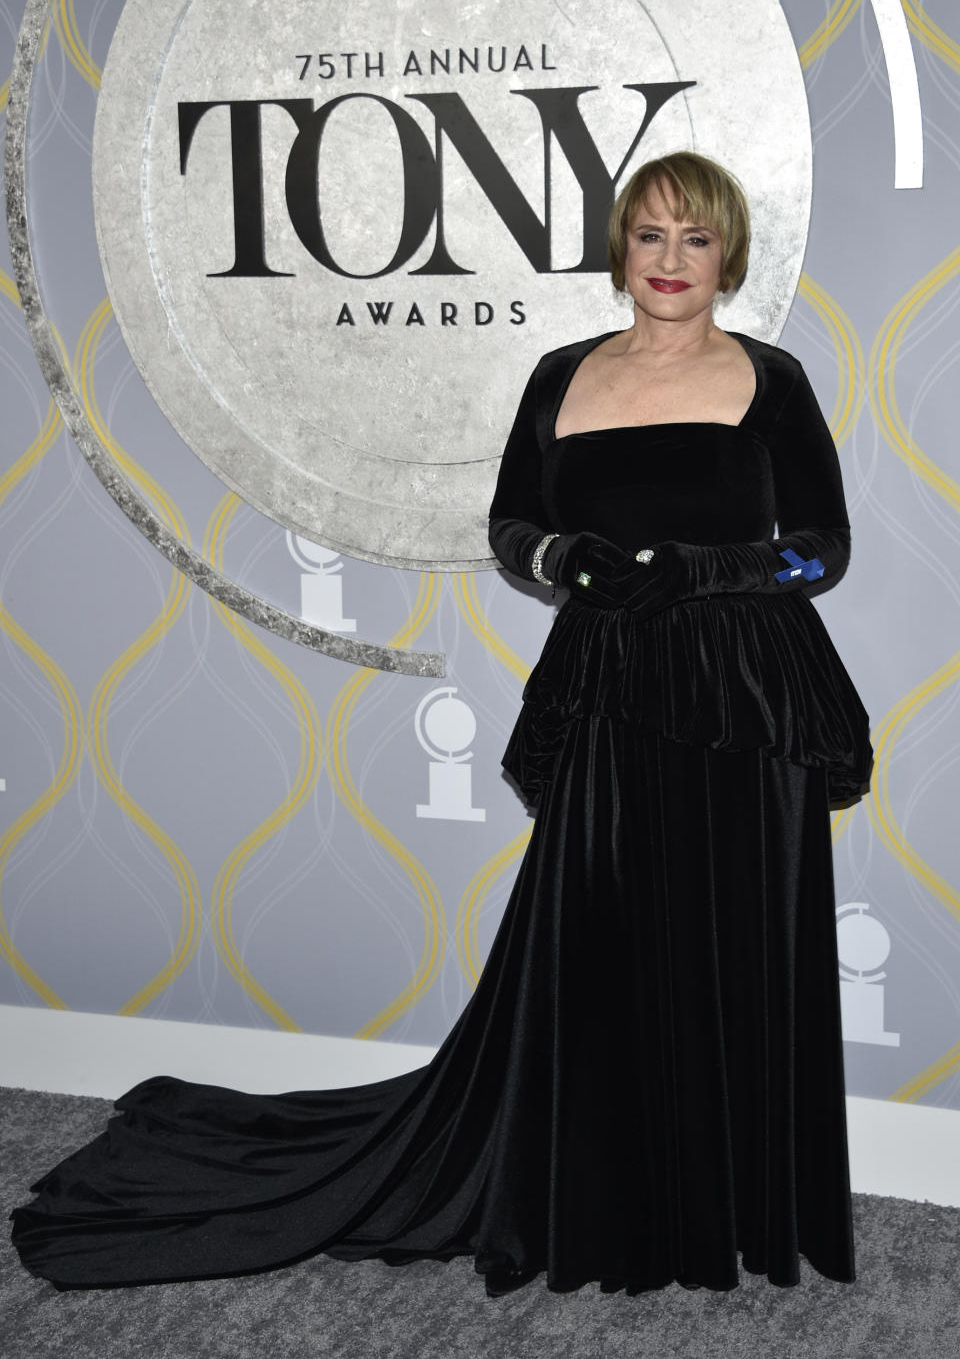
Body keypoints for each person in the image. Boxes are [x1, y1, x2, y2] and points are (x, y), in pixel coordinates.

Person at [11, 152, 871, 1296]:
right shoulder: (562, 374)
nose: (671, 261)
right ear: (622, 250)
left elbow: (826, 546)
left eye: (695, 239)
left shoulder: (772, 378)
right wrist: (565, 555)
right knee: (605, 944)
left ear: (728, 256)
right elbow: (514, 523)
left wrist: (709, 570)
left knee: (740, 937)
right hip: (609, 688)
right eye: (651, 236)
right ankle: (611, 1187)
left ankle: (732, 1197)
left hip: (743, 706)